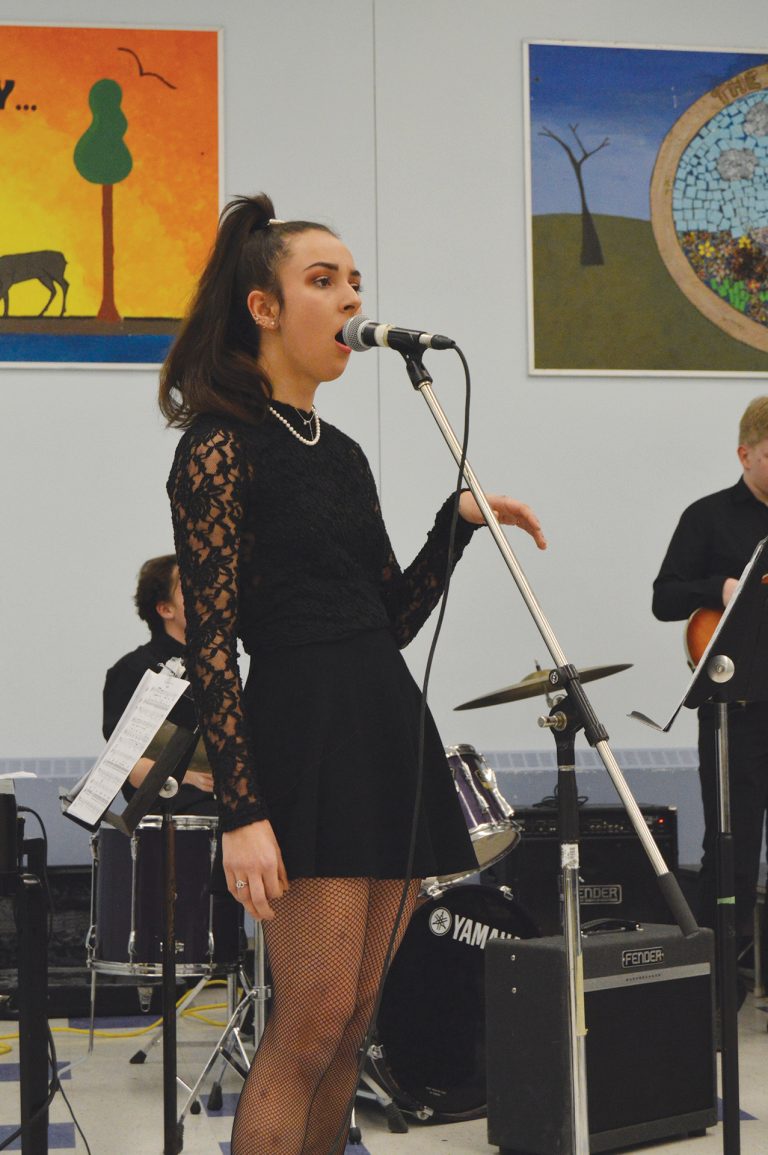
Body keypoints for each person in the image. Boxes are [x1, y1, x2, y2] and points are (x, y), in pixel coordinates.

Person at [159, 192, 547, 1155]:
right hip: (307, 735)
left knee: (354, 1023)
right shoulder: (216, 447)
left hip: (384, 726)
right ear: (262, 306)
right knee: (309, 1021)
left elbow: (391, 617)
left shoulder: (344, 454)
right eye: (323, 281)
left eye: (356, 282)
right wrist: (244, 810)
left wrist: (451, 530)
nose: (350, 301)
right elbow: (210, 641)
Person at [653, 395, 768, 974]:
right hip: (734, 711)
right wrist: (720, 588)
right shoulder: (708, 517)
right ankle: (722, 977)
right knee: (731, 848)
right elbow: (663, 598)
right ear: (745, 454)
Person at [103, 553, 215, 812]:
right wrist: (188, 777)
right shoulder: (131, 670)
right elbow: (125, 767)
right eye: (190, 586)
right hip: (175, 819)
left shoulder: (219, 668)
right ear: (166, 609)